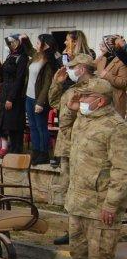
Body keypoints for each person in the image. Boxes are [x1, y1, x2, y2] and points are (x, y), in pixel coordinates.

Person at [54, 78, 126, 259]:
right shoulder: (84, 120)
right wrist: (72, 106)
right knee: (80, 251)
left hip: (101, 205)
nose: (81, 100)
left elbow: (121, 170)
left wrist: (111, 204)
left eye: (86, 97)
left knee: (101, 255)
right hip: (79, 201)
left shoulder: (116, 126)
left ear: (100, 100)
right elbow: (64, 127)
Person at [49, 54, 95, 245]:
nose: (69, 70)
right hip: (67, 145)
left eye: (72, 67)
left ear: (82, 68)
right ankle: (72, 231)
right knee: (69, 189)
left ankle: (84, 233)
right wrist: (57, 84)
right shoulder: (72, 89)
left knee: (84, 191)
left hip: (84, 147)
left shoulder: (96, 89)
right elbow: (53, 102)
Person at [27, 35, 59, 165]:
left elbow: (47, 84)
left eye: (38, 42)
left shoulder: (50, 61)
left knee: (41, 126)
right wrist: (24, 40)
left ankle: (44, 153)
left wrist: (40, 102)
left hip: (39, 98)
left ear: (45, 45)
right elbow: (28, 49)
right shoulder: (36, 56)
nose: (36, 44)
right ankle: (35, 151)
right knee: (33, 126)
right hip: (29, 96)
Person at [0, 33, 29, 155]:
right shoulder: (11, 56)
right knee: (7, 123)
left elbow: (19, 79)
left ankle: (17, 149)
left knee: (15, 123)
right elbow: (3, 74)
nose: (10, 45)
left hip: (15, 95)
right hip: (5, 91)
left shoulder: (22, 57)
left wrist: (11, 98)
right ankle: (11, 148)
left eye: (12, 43)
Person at [95, 33, 127, 116]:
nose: (101, 46)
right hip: (99, 100)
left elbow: (123, 83)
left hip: (115, 101)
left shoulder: (122, 60)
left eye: (104, 44)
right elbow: (89, 66)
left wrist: (107, 76)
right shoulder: (102, 59)